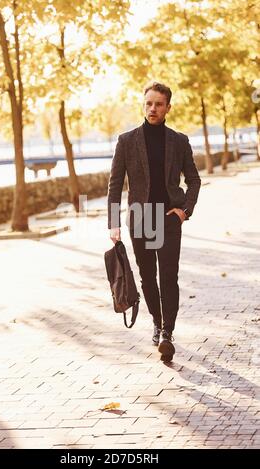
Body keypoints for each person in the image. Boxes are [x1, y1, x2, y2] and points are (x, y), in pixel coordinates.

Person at [107, 82, 201, 362]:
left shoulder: (179, 141)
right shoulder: (127, 141)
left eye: (159, 104)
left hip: (169, 218)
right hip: (142, 219)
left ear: (168, 108)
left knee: (168, 277)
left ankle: (167, 333)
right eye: (149, 103)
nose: (153, 108)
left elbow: (194, 180)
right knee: (147, 277)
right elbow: (114, 184)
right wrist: (113, 223)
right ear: (143, 104)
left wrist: (186, 209)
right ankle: (157, 324)